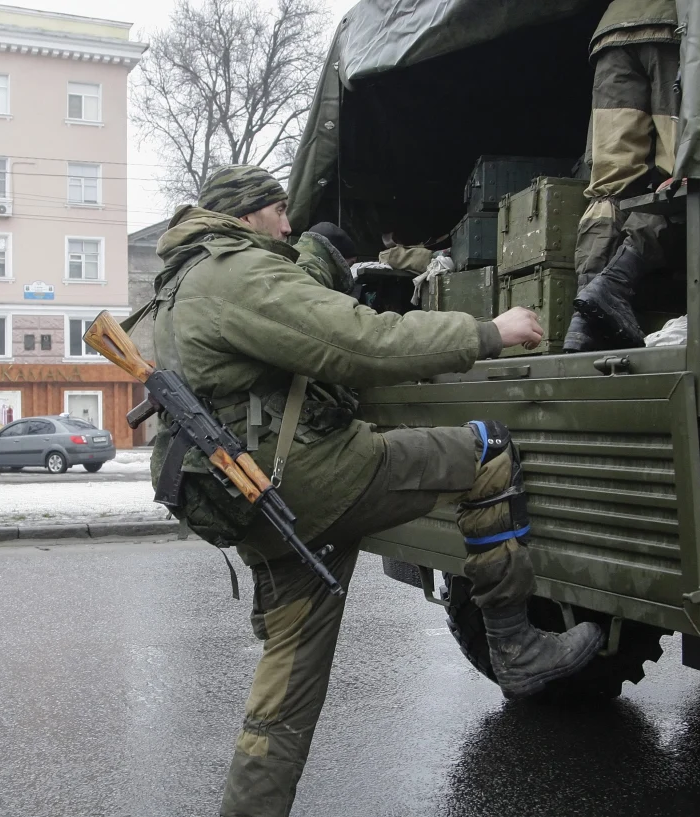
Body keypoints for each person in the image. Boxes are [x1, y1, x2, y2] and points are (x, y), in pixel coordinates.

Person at [149, 165, 605, 817]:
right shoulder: (241, 272)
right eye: (278, 210)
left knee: (282, 698)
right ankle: (515, 643)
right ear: (246, 214)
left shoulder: (181, 281)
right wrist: (488, 332)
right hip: (312, 479)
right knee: (487, 451)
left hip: (250, 500)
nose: (287, 223)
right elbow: (365, 342)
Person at [563, 0, 681, 353]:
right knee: (684, 176)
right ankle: (613, 285)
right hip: (678, 24)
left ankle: (584, 319)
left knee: (608, 190)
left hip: (613, 30)